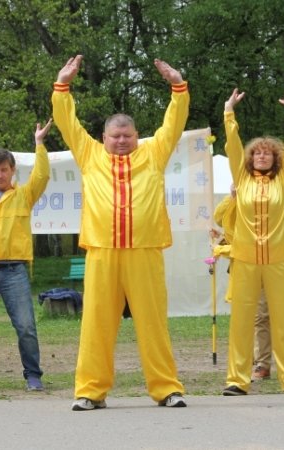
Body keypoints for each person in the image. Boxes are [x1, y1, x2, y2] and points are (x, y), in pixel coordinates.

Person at [51, 55, 189, 410]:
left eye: (128, 135)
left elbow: (173, 124)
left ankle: (166, 389)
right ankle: (90, 391)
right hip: (102, 250)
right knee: (96, 323)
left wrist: (178, 87)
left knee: (153, 324)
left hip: (145, 250)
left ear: (138, 137)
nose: (122, 141)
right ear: (104, 137)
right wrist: (62, 85)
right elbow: (68, 123)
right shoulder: (89, 154)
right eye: (116, 136)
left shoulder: (154, 153)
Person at [221, 88, 284, 396]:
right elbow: (232, 145)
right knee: (242, 321)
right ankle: (236, 380)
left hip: (278, 259)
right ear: (250, 158)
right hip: (244, 259)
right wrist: (229, 112)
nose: (261, 156)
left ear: (275, 159)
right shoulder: (241, 179)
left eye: (267, 153)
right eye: (257, 153)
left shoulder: (282, 180)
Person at [214, 174, 284, 381]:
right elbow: (220, 218)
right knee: (261, 313)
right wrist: (232, 196)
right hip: (255, 258)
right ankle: (262, 364)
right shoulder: (246, 183)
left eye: (273, 155)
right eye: (259, 154)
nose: (265, 158)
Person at [0, 120, 52, 392]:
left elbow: (41, 176)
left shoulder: (25, 195)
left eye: (4, 170)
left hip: (14, 271)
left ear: (12, 170)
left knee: (26, 327)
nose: (0, 175)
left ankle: (33, 375)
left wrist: (39, 143)